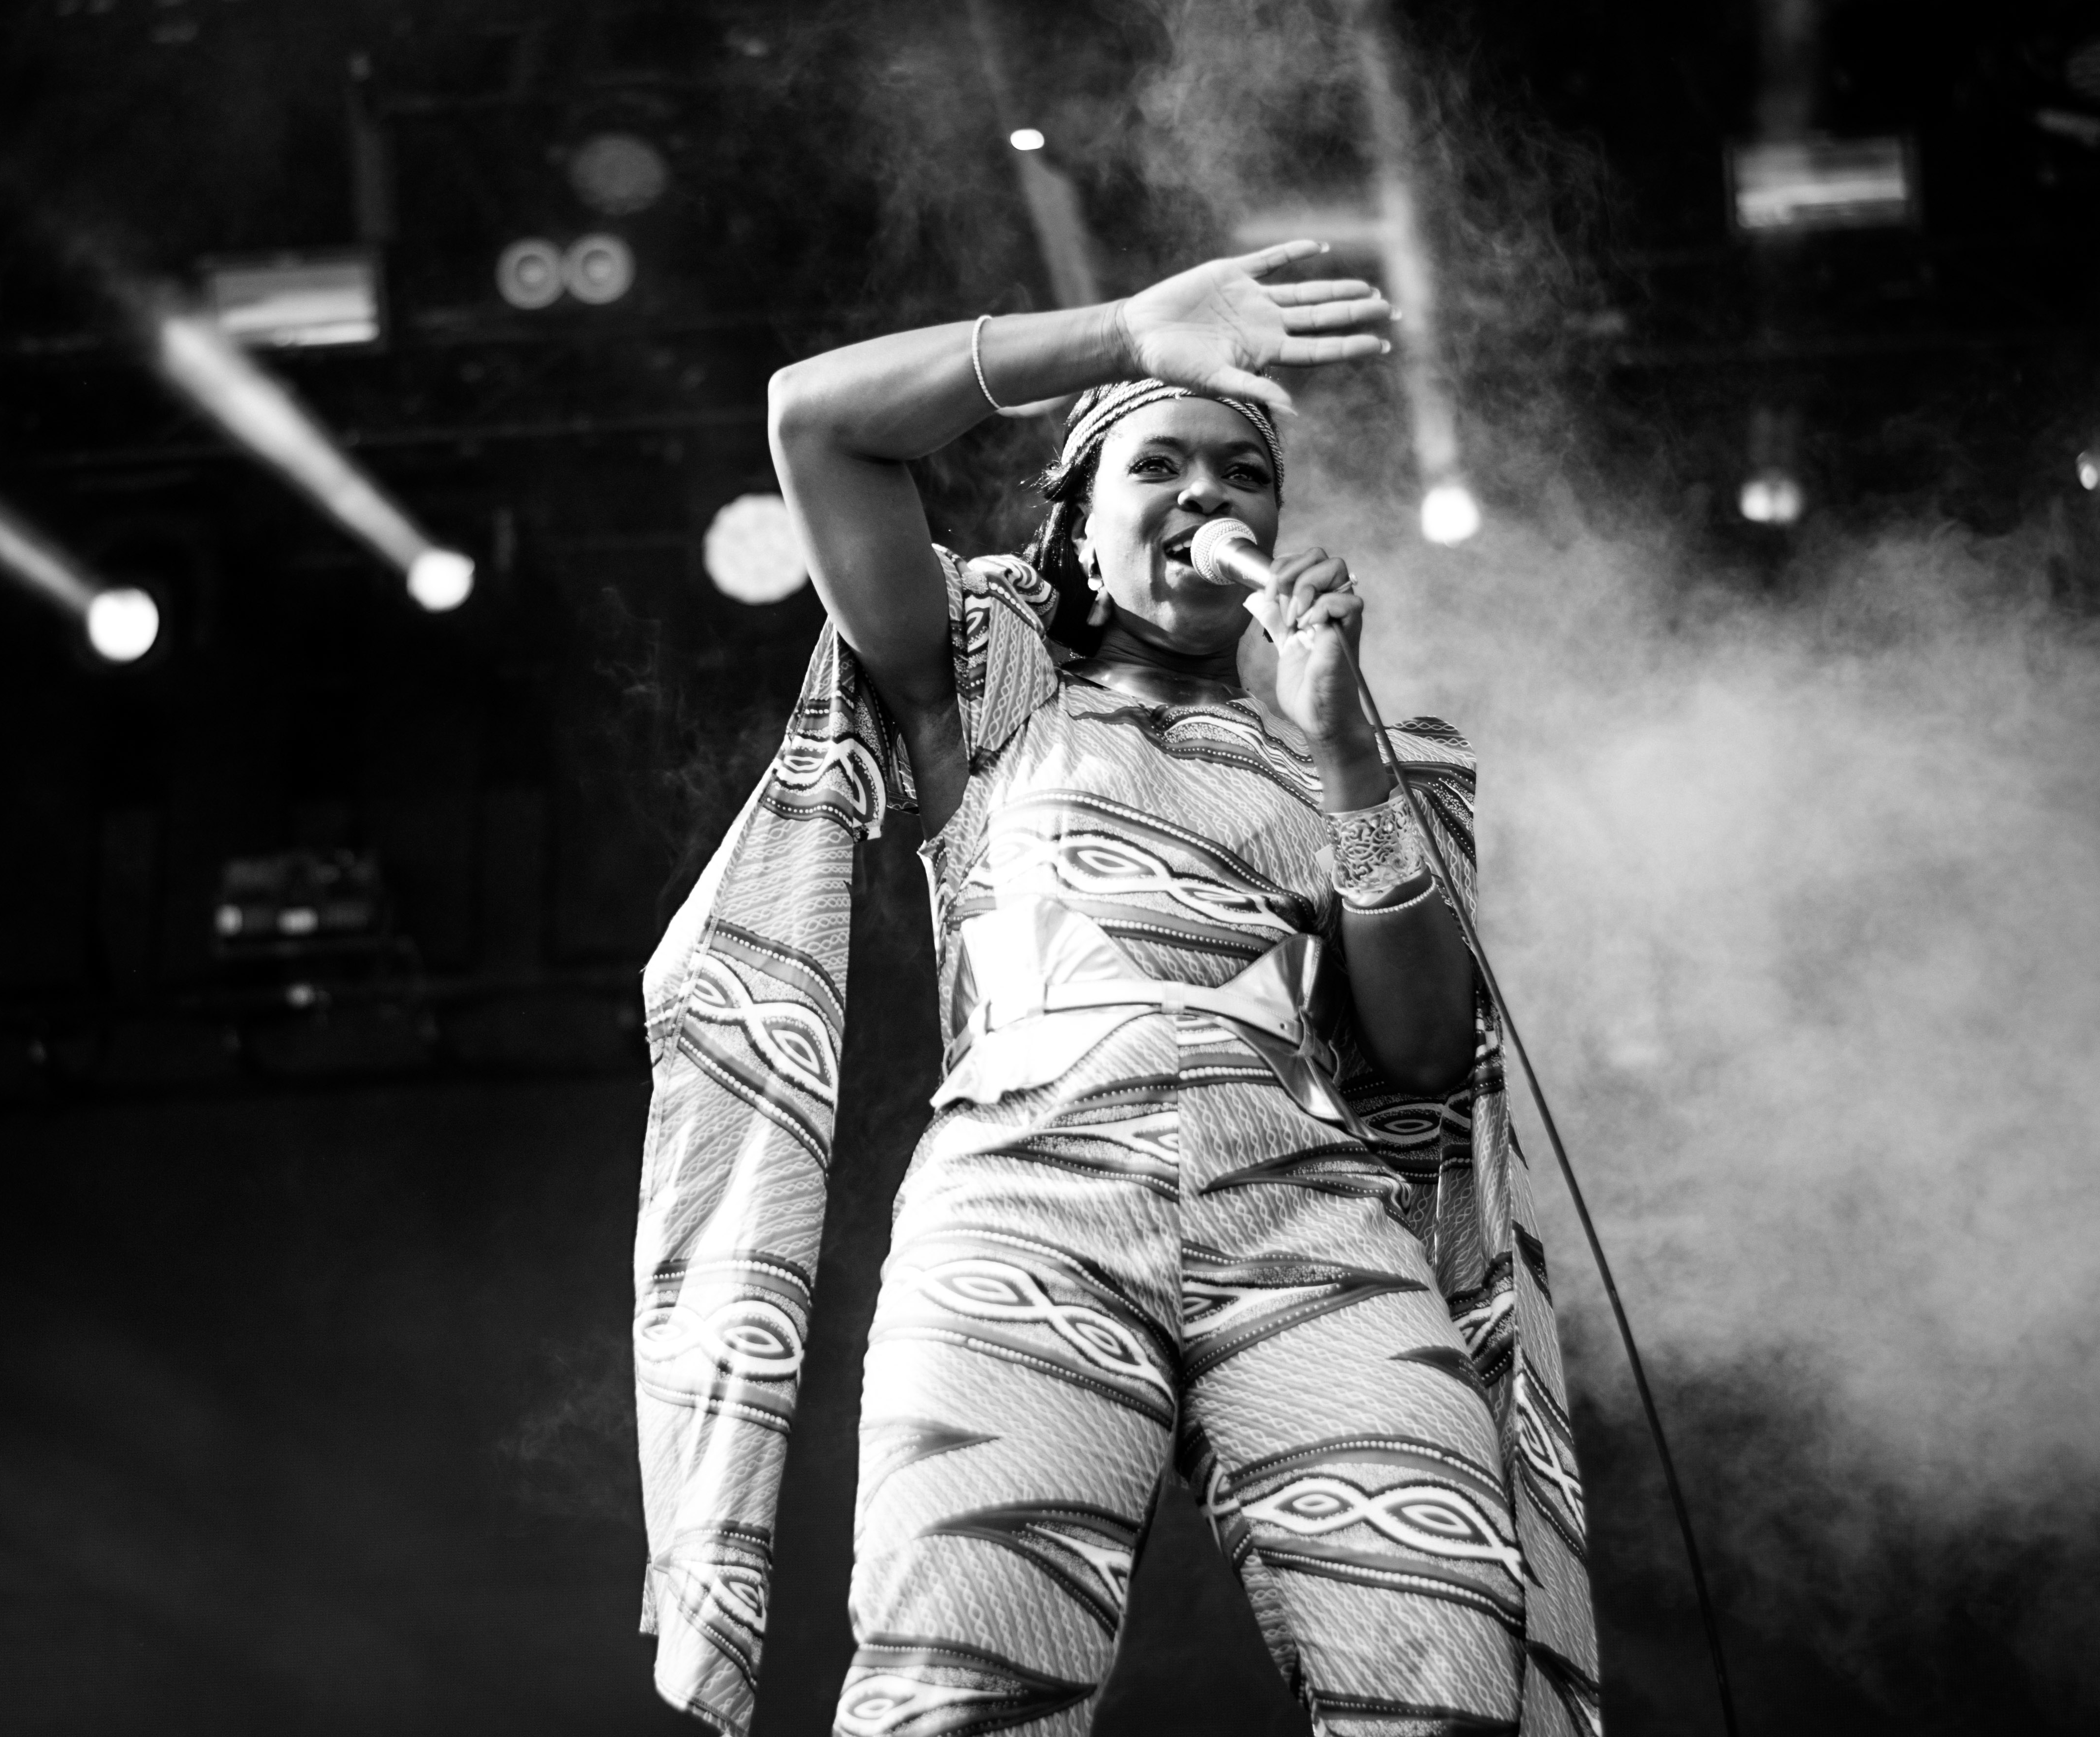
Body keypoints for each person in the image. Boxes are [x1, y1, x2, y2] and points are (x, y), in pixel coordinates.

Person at [631, 245, 1599, 1737]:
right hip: (1031, 1193)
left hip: (1312, 1219)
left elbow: (1419, 1053)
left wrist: (1346, 753)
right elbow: (815, 421)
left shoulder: (1378, 756)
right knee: (966, 1680)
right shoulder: (994, 676)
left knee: (1448, 1665)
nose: (1212, 495)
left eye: (1246, 473)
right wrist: (1123, 335)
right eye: (1161, 464)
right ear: (1077, 528)